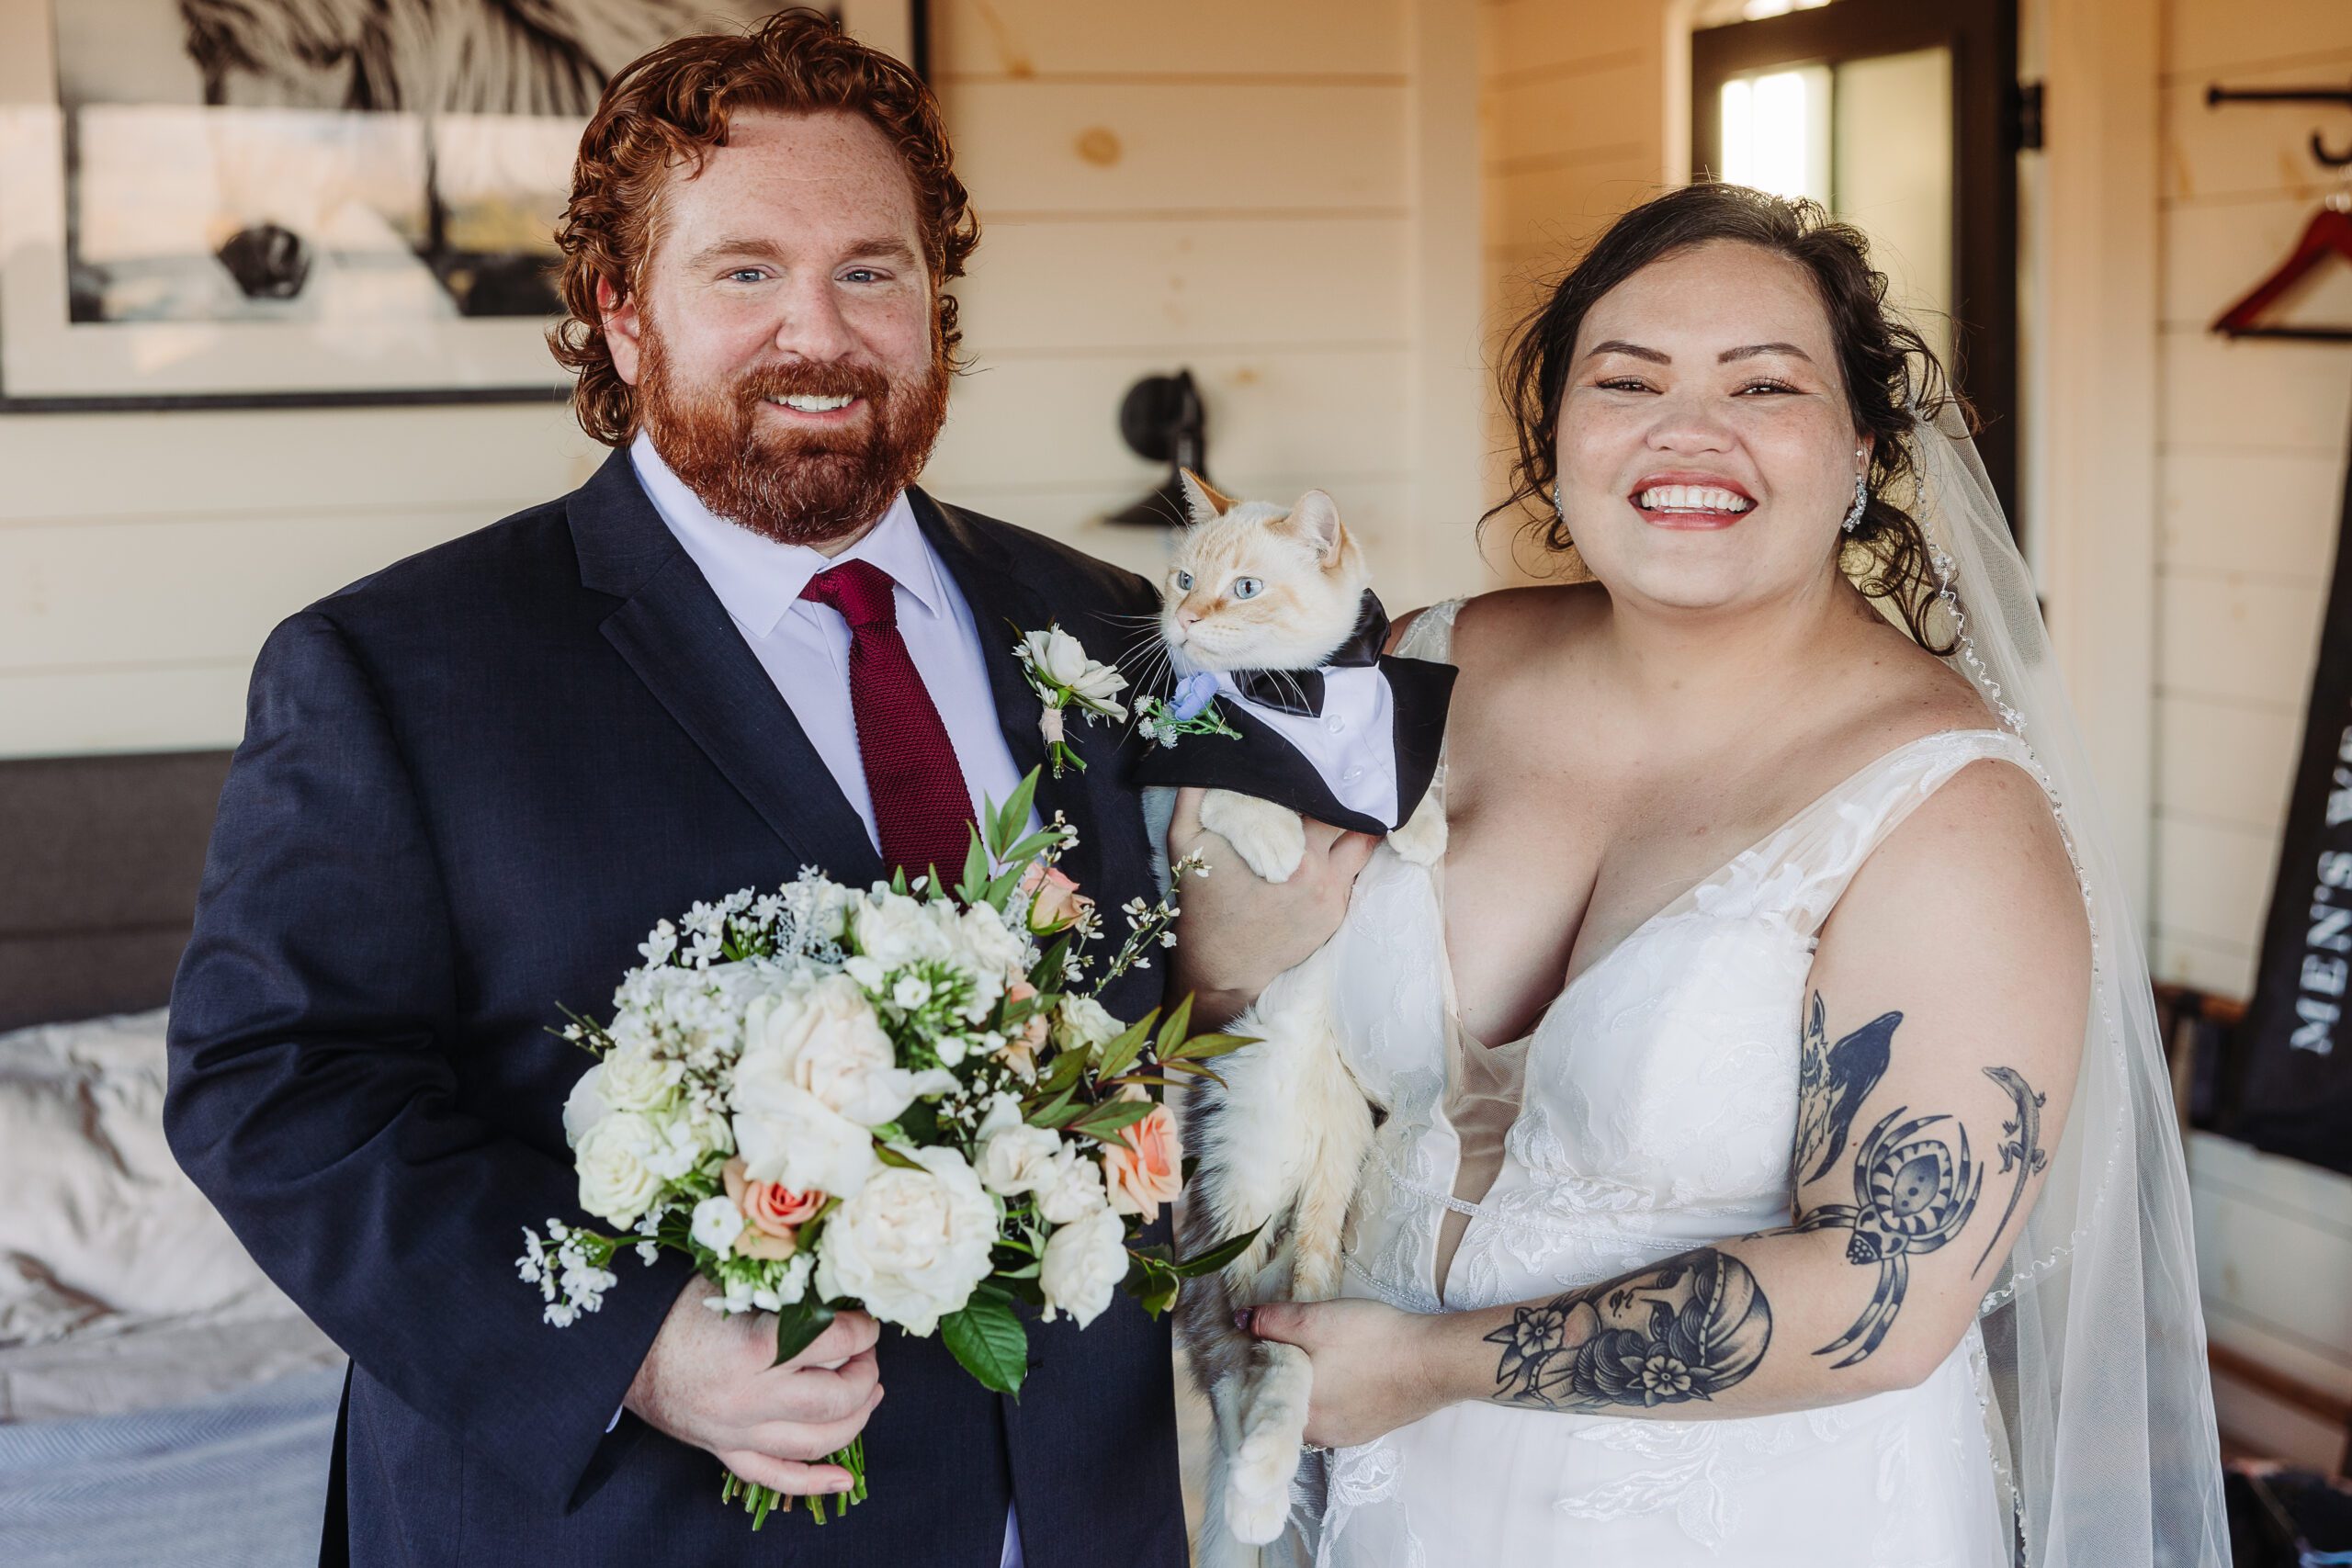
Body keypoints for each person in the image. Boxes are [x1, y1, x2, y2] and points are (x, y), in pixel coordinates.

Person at [164, 14, 1185, 1566]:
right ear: (620, 310)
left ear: (933, 304)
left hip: (1070, 1509)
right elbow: (274, 1087)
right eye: (746, 271)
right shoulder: (393, 667)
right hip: (623, 1527)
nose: (820, 332)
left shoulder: (1107, 627)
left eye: (872, 269)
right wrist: (631, 1345)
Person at [1169, 183, 2227, 1566]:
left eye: (1763, 384)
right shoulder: (1420, 666)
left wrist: (1425, 1367)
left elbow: (1889, 1295)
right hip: (1362, 1494)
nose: (1688, 432)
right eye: (1627, 380)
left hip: (1738, 1520)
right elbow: (1251, 1022)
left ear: (1859, 448)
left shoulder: (1949, 808)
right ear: (1557, 437)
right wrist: (1226, 958)